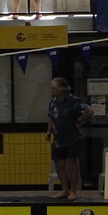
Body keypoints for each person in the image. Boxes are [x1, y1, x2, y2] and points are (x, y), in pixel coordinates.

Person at [46, 76, 92, 204]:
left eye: (53, 88)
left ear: (61, 89)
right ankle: (64, 190)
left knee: (71, 164)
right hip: (57, 138)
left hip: (71, 137)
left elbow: (89, 111)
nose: (51, 90)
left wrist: (78, 122)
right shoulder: (53, 101)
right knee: (59, 164)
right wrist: (48, 131)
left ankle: (73, 191)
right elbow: (51, 117)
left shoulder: (74, 101)